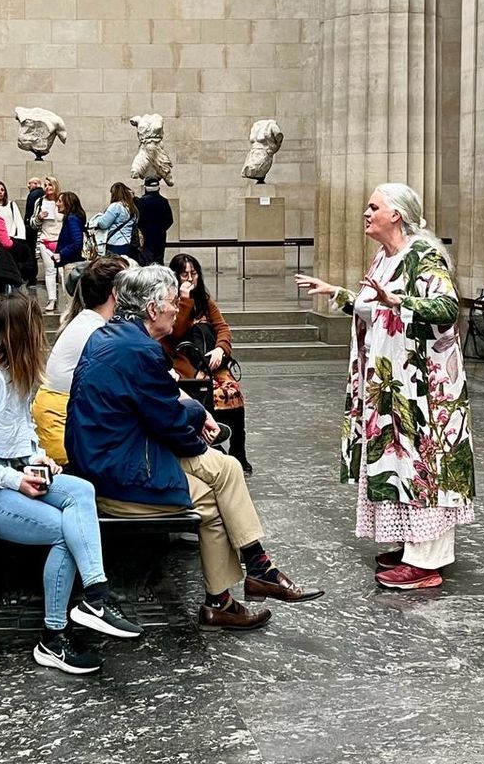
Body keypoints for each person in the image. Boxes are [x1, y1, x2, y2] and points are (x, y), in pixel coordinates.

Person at [67, 265, 324, 632]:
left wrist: (193, 417)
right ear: (153, 309)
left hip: (114, 458)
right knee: (213, 496)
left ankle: (252, 575)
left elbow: (159, 403)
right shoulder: (139, 348)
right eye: (173, 302)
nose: (178, 308)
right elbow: (166, 420)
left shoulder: (115, 337)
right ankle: (237, 587)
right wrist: (200, 442)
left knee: (227, 469)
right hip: (115, 474)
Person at [0, 293, 144, 675]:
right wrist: (17, 480)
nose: (42, 336)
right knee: (63, 531)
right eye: (35, 328)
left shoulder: (12, 375)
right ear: (17, 333)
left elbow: (20, 433)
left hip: (5, 473)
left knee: (81, 490)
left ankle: (96, 598)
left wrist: (38, 459)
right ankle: (53, 639)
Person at [296, 183, 476, 591]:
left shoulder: (423, 256)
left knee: (424, 464)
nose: (366, 212)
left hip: (423, 387)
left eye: (373, 206)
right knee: (398, 464)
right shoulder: (384, 257)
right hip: (389, 382)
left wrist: (400, 302)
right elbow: (374, 305)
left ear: (396, 214)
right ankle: (410, 545)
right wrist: (338, 293)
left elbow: (446, 307)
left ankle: (426, 562)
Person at [32, 257, 127, 464]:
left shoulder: (88, 321)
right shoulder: (98, 332)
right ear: (116, 294)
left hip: (62, 422)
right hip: (62, 430)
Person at [165, 253, 251, 475]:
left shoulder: (205, 299)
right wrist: (184, 299)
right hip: (185, 364)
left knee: (233, 391)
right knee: (206, 392)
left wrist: (221, 349)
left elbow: (222, 327)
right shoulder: (170, 302)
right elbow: (176, 333)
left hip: (212, 361)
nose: (190, 279)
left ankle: (238, 452)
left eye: (194, 274)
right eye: (185, 274)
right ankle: (212, 442)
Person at [29, 176, 63, 312]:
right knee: (50, 271)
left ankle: (68, 301)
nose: (47, 188)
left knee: (62, 272)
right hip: (45, 240)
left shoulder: (62, 201)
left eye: (50, 185)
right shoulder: (40, 202)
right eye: (46, 185)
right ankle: (52, 300)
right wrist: (39, 217)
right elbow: (32, 223)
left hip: (61, 241)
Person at [89, 182, 137, 258]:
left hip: (115, 244)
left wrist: (96, 222)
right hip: (126, 243)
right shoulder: (131, 207)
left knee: (113, 267)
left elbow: (103, 224)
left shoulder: (116, 206)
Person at [136, 176, 174, 265]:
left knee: (146, 263)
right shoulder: (164, 201)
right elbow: (170, 220)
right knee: (159, 261)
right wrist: (161, 229)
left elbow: (138, 220)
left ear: (145, 187)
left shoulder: (141, 201)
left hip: (146, 237)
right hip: (160, 236)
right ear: (158, 188)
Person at [51, 192, 86, 277]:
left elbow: (77, 242)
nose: (57, 204)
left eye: (60, 201)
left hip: (71, 263)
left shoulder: (72, 219)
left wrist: (61, 253)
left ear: (67, 203)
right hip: (72, 262)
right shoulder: (73, 218)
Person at [23, 177, 44, 288]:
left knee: (31, 253)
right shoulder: (43, 195)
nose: (31, 186)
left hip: (33, 229)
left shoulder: (33, 195)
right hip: (42, 229)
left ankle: (31, 278)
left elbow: (29, 213)